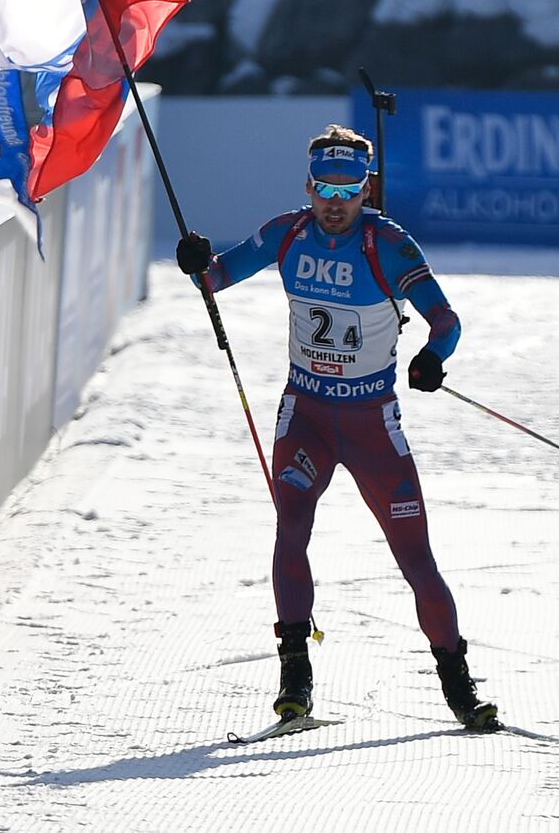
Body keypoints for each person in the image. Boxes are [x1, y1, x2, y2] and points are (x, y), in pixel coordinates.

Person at [175, 124, 500, 731]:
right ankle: (294, 679)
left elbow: (446, 321)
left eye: (347, 190)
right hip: (308, 418)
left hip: (373, 424)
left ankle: (459, 688)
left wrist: (433, 358)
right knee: (291, 529)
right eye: (324, 187)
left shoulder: (389, 244)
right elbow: (215, 278)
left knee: (416, 559)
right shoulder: (288, 233)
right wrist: (196, 259)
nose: (334, 202)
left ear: (365, 190)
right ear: (308, 185)